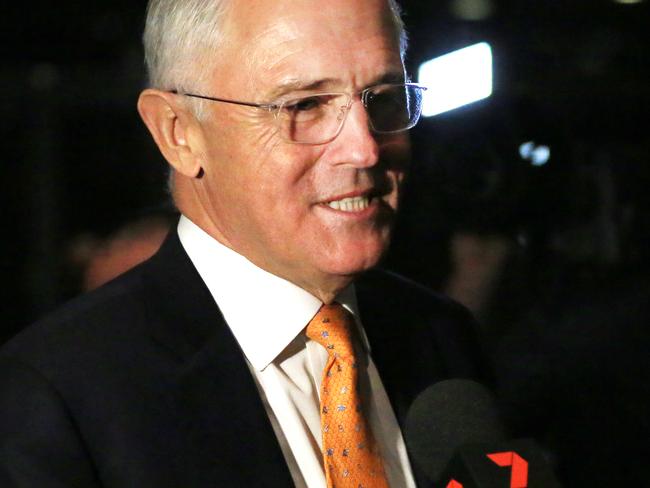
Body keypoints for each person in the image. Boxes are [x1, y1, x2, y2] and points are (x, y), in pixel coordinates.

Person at [0, 0, 489, 486]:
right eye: (305, 105)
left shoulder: (441, 336)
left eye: (382, 97)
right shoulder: (54, 395)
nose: (363, 147)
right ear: (178, 133)